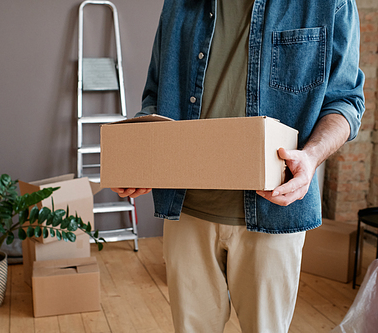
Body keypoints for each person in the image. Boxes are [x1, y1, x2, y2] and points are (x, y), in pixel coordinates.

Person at [112, 0, 365, 332]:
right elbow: (156, 95)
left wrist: (312, 156)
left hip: (274, 212)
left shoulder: (328, 4)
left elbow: (346, 100)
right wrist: (143, 157)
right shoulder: (179, 4)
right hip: (187, 209)